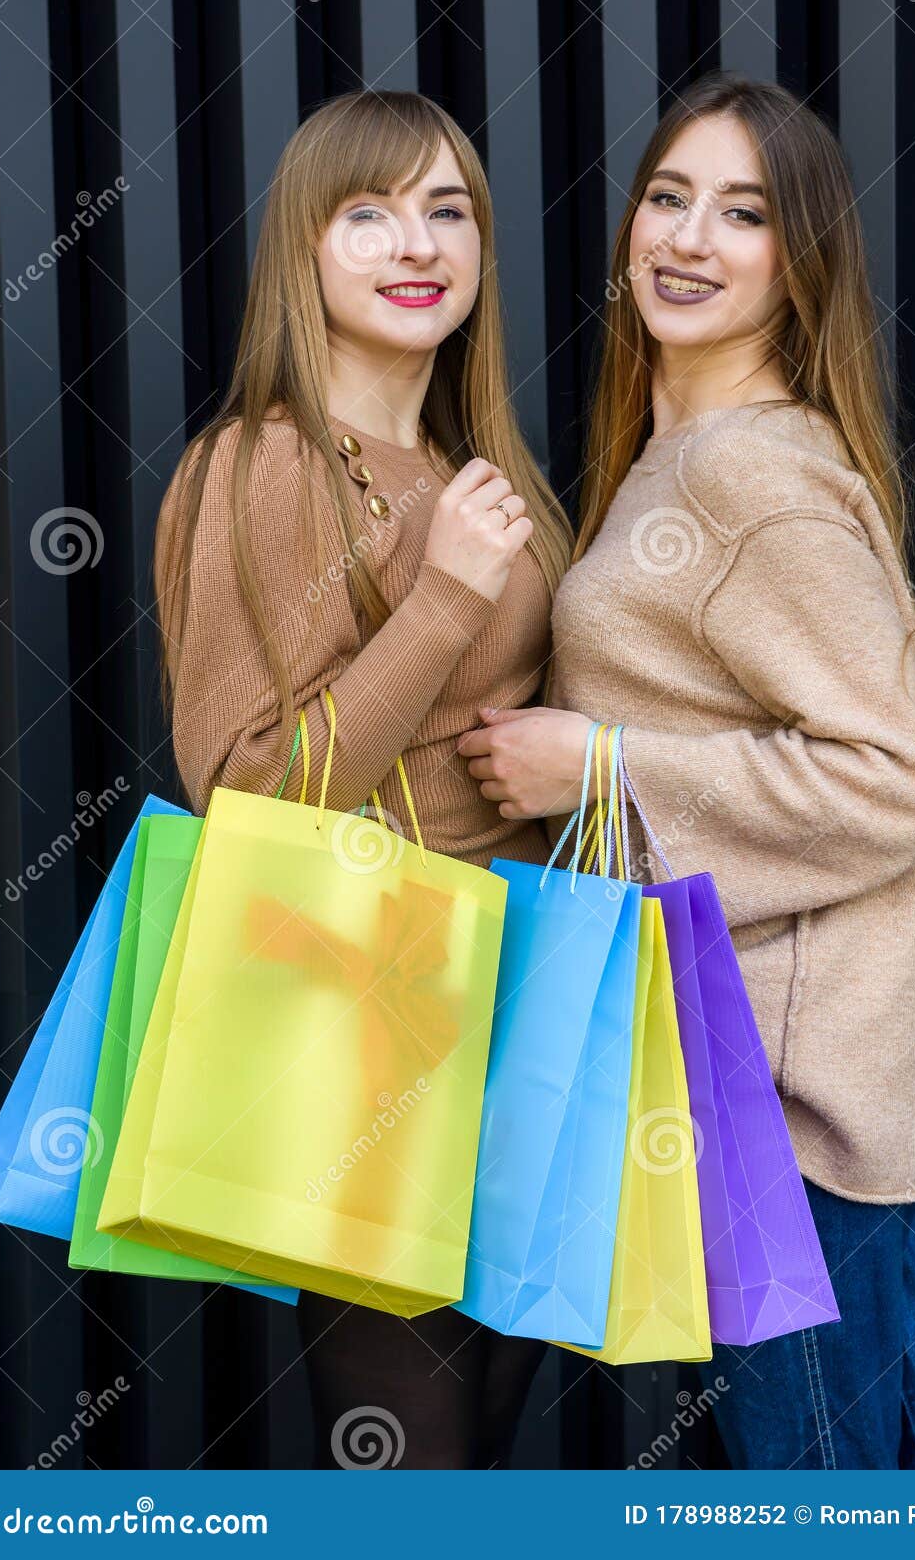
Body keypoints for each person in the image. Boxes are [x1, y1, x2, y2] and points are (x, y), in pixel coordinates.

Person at [456, 70, 915, 1471]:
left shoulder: (752, 478)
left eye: (744, 212)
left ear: (799, 262)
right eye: (668, 198)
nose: (689, 237)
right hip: (753, 1091)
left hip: (783, 1115)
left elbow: (901, 787)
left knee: (838, 1495)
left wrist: (602, 762)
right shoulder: (680, 455)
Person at [153, 89, 572, 1468]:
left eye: (450, 209)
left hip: (524, 993)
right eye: (371, 212)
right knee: (415, 1464)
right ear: (305, 251)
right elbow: (250, 799)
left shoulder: (474, 468)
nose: (420, 241)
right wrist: (443, 602)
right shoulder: (263, 464)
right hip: (371, 1008)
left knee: (490, 1445)